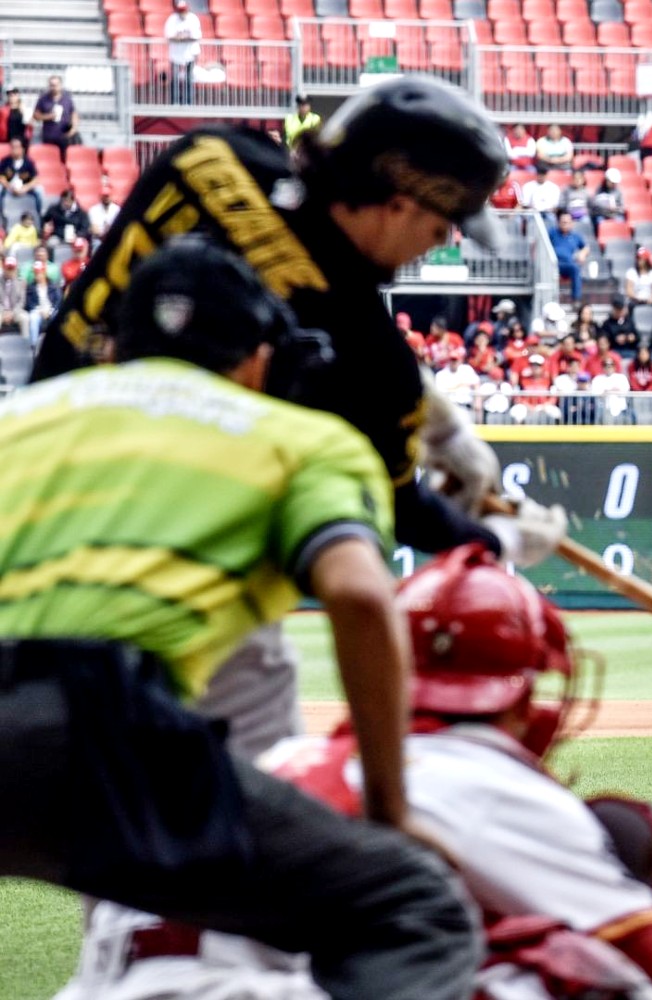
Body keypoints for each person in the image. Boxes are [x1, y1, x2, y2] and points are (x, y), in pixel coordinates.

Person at [35, 76, 568, 762]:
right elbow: (392, 506)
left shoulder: (208, 157)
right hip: (180, 567)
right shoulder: (372, 363)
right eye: (439, 228)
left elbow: (282, 259)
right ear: (399, 201)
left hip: (37, 482)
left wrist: (420, 403)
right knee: (261, 809)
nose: (432, 247)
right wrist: (489, 537)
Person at [0, 237, 479, 999]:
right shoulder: (304, 438)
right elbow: (358, 594)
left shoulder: (20, 418)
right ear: (259, 358)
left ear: (114, 349)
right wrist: (389, 806)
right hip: (100, 726)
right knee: (410, 906)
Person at [61, 545, 652, 1000]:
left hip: (106, 982)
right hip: (229, 988)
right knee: (592, 976)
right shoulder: (490, 782)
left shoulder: (288, 758)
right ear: (520, 693)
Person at [165, 0, 202, 105]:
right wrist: (183, 38)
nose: (182, 13)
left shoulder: (193, 19)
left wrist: (181, 38)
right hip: (176, 54)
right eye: (180, 11)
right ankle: (175, 102)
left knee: (189, 78)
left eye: (184, 11)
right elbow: (169, 37)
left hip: (190, 53)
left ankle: (188, 102)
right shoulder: (172, 20)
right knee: (175, 78)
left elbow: (196, 36)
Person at [32, 75, 79, 157]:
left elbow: (74, 114)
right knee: (49, 160)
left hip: (64, 136)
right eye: (51, 85)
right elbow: (36, 116)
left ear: (60, 85)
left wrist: (73, 129)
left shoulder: (67, 99)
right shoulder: (43, 99)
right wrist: (49, 116)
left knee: (63, 160)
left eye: (55, 85)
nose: (53, 87)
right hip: (49, 136)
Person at [550, 209, 590, 302]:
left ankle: (576, 300)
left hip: (568, 265)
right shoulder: (552, 233)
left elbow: (586, 247)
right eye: (563, 222)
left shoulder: (575, 236)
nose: (565, 224)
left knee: (575, 268)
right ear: (558, 222)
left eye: (567, 222)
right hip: (553, 264)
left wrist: (583, 253)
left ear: (571, 223)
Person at [1, 137, 41, 219]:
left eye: (16, 147)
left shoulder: (29, 162)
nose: (13, 149)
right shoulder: (5, 161)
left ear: (22, 149)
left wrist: (25, 188)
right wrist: (9, 187)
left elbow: (35, 179)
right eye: (12, 147)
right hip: (9, 188)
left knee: (40, 191)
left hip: (24, 188)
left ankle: (40, 216)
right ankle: (1, 218)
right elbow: (1, 177)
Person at [22, 258, 59, 346]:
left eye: (39, 272)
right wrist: (39, 310)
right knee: (33, 318)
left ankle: (57, 344)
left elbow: (58, 301)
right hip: (37, 310)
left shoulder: (53, 286)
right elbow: (29, 303)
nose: (38, 275)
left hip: (51, 309)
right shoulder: (31, 287)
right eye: (36, 273)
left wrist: (50, 310)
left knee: (57, 316)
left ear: (44, 272)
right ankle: (34, 345)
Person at [588, 353, 631, 424]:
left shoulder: (621, 377)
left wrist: (607, 391)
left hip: (620, 408)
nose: (608, 367)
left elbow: (626, 390)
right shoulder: (597, 379)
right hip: (603, 408)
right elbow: (594, 392)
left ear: (614, 367)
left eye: (611, 365)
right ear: (603, 367)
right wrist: (610, 391)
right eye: (606, 365)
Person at [0, 257, 24, 334]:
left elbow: (21, 302)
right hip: (1, 311)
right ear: (4, 268)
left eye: (12, 269)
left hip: (15, 311)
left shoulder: (20, 282)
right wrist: (4, 312)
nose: (10, 271)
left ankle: (26, 344)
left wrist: (12, 313)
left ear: (16, 269)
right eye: (8, 268)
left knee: (25, 318)